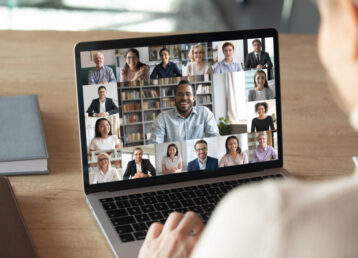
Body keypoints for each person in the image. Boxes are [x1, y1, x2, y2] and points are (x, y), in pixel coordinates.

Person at [139, 1, 358, 257]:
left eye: (324, 19)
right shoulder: (163, 120)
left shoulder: (266, 220)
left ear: (350, 25)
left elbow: (215, 137)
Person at [149, 79, 219, 144]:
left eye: (188, 94)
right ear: (175, 98)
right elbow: (155, 143)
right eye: (179, 95)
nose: (184, 98)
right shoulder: (163, 118)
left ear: (194, 98)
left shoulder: (204, 113)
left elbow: (215, 139)